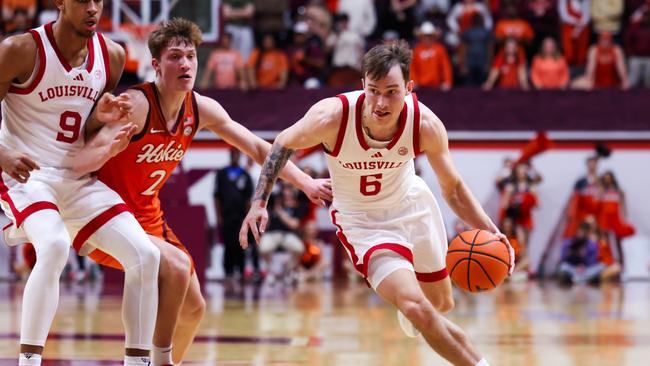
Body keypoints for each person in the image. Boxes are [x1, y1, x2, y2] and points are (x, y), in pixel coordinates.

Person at [71, 18, 332, 365]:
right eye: (175, 56)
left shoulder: (200, 109)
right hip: (103, 214)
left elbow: (258, 147)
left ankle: (164, 361)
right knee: (177, 267)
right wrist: (105, 149)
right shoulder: (136, 105)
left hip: (148, 217)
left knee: (194, 308)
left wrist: (307, 183)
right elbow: (79, 161)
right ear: (156, 65)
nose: (184, 64)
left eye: (191, 56)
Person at [240, 41, 514, 366]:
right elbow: (281, 145)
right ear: (363, 85)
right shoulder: (332, 116)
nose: (381, 102)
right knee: (417, 307)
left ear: (409, 89)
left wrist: (494, 233)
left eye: (392, 92)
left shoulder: (424, 124)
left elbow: (452, 189)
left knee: (440, 306)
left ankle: (414, 313)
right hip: (365, 224)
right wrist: (260, 202)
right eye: (373, 91)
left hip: (412, 205)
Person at [0, 1, 160, 365]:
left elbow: (80, 128)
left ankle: (138, 361)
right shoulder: (20, 50)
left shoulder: (113, 56)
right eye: (82, 0)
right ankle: (29, 362)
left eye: (98, 1)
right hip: (26, 175)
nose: (92, 8)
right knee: (55, 245)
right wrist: (3, 155)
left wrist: (99, 120)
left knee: (146, 256)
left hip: (75, 178)